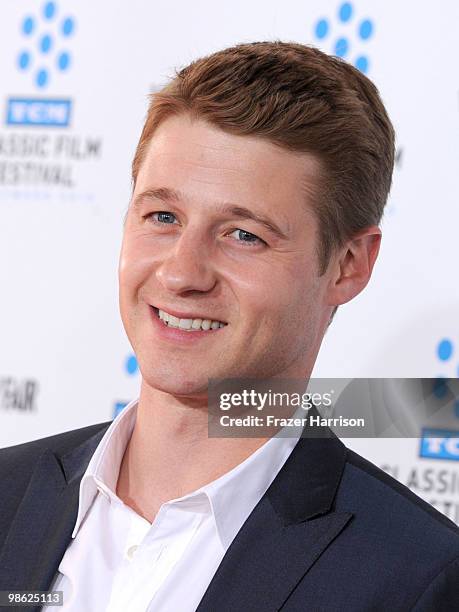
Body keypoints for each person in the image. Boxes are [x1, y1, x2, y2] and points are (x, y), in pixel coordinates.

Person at [0, 41, 458, 612]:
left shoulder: (416, 580)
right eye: (162, 217)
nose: (181, 273)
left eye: (245, 235)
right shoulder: (7, 496)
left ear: (348, 265)